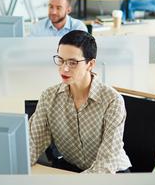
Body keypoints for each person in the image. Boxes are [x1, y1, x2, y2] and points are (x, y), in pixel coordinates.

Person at [29, 30, 132, 173]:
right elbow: (32, 143)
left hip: (111, 173)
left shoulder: (112, 101)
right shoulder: (49, 97)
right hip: (71, 167)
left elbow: (106, 163)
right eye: (60, 60)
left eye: (72, 63)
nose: (64, 68)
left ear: (90, 64)